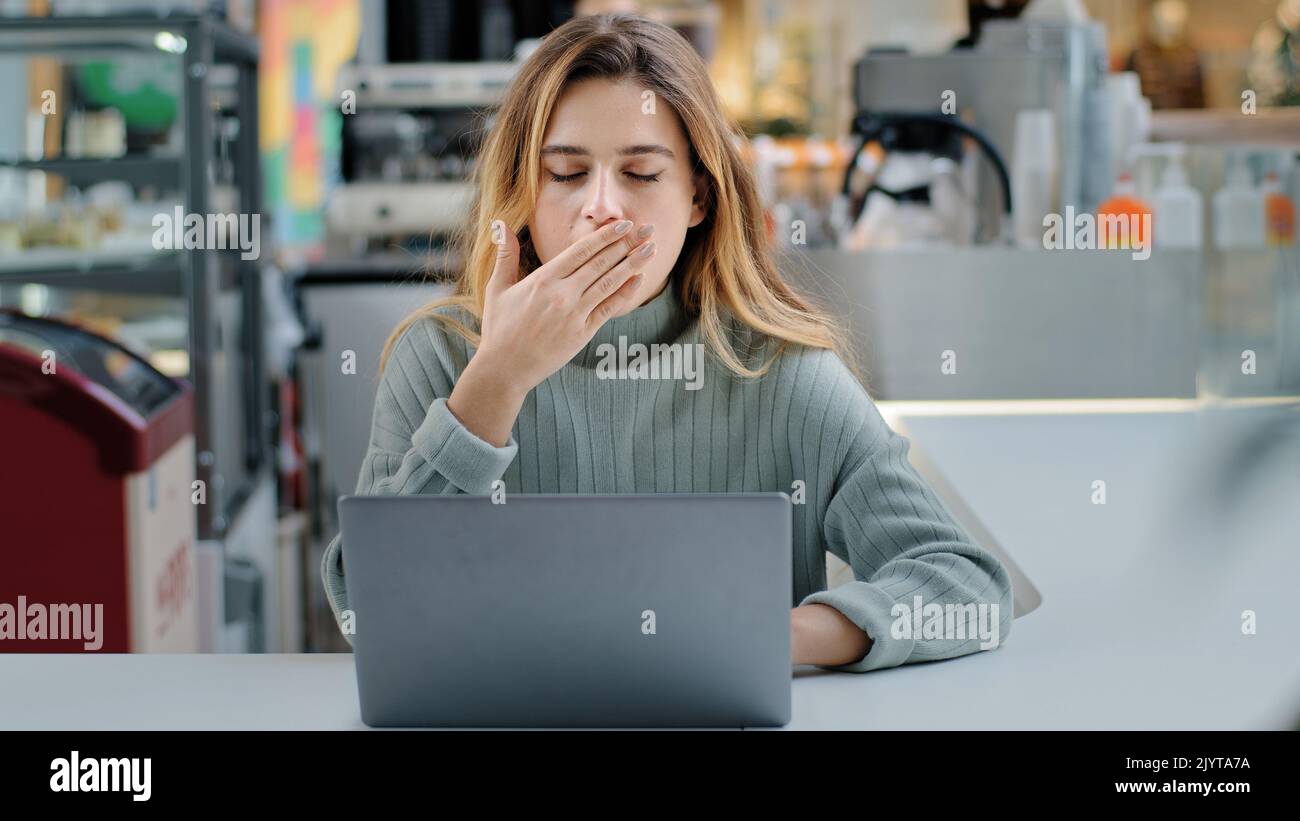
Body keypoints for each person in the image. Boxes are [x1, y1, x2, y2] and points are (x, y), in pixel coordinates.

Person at [322, 13, 1013, 673]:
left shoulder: (780, 373)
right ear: (522, 194)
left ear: (698, 198)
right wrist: (496, 380)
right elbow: (372, 614)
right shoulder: (439, 359)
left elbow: (967, 589)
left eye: (642, 173)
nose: (602, 207)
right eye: (565, 173)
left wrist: (773, 633)